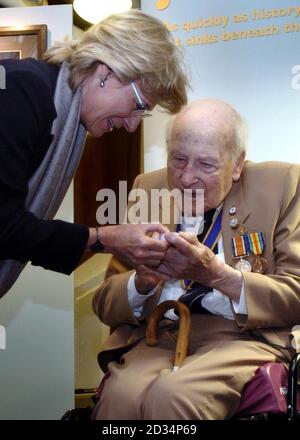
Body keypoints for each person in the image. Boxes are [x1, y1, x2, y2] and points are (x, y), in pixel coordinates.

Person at [91, 99, 300, 420]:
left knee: (173, 398)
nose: (187, 177)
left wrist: (220, 277)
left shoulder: (281, 186)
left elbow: (295, 294)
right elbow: (105, 303)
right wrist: (143, 280)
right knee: (120, 400)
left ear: (237, 164)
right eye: (178, 159)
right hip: (158, 334)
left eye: (206, 165)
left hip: (239, 337)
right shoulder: (146, 189)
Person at [0, 10, 188, 298]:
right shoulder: (21, 90)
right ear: (106, 69)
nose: (132, 125)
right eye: (139, 105)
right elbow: (5, 226)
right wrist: (103, 238)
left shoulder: (64, 117)